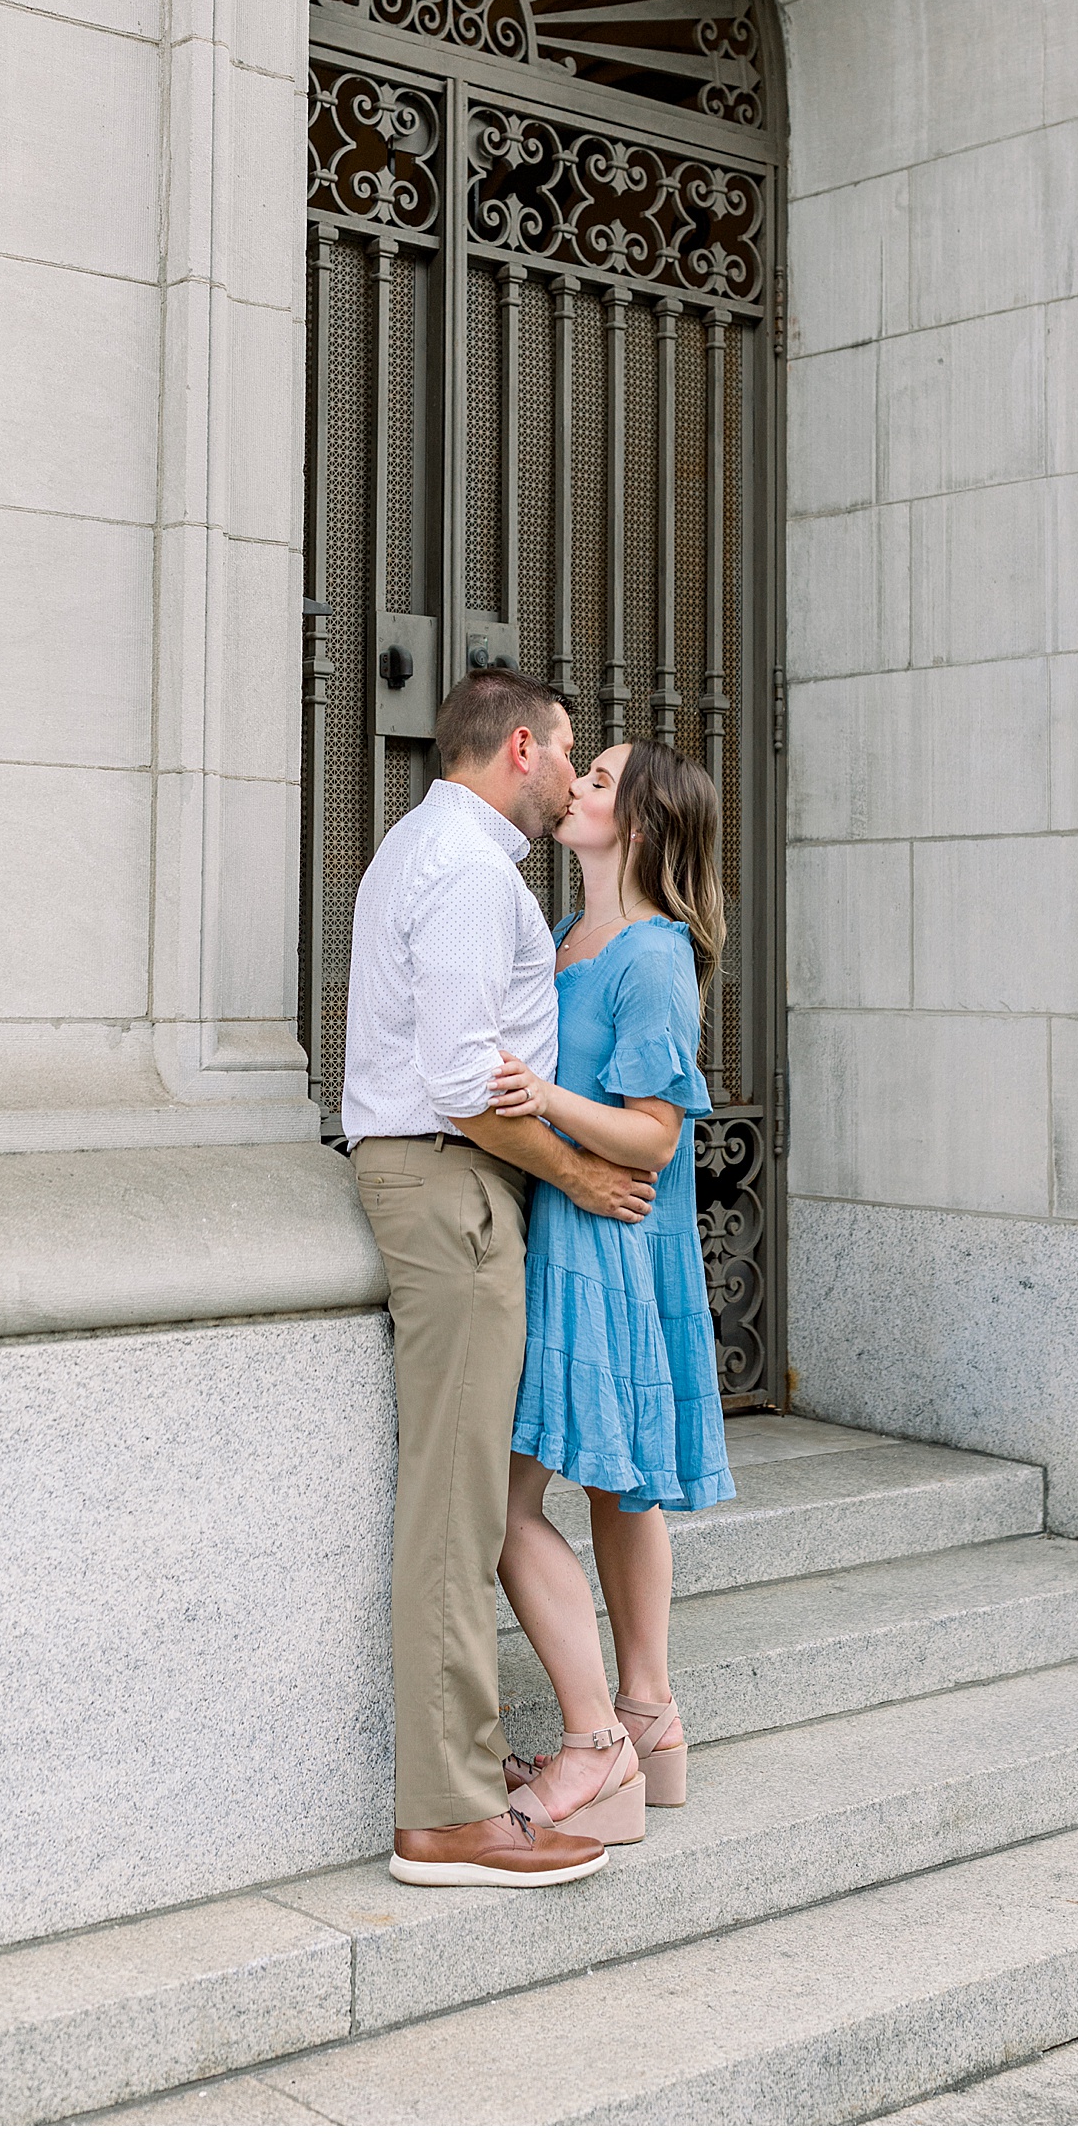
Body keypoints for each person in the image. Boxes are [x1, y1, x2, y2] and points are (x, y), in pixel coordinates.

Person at [342, 668, 660, 1890]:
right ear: (520, 746)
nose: (573, 776)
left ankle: (463, 1788)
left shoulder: (423, 847)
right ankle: (451, 1810)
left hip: (443, 1179)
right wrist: (581, 1175)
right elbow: (468, 1083)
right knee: (458, 1504)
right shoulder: (471, 870)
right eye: (568, 751)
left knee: (468, 1495)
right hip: (451, 1180)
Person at [488, 740, 736, 1842]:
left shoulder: (655, 956)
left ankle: (604, 1747)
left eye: (597, 779)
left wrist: (540, 1096)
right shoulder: (566, 933)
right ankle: (650, 1716)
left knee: (511, 1502)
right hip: (572, 1227)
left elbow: (654, 1135)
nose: (575, 785)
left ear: (636, 821)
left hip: (606, 1240)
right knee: (616, 1487)